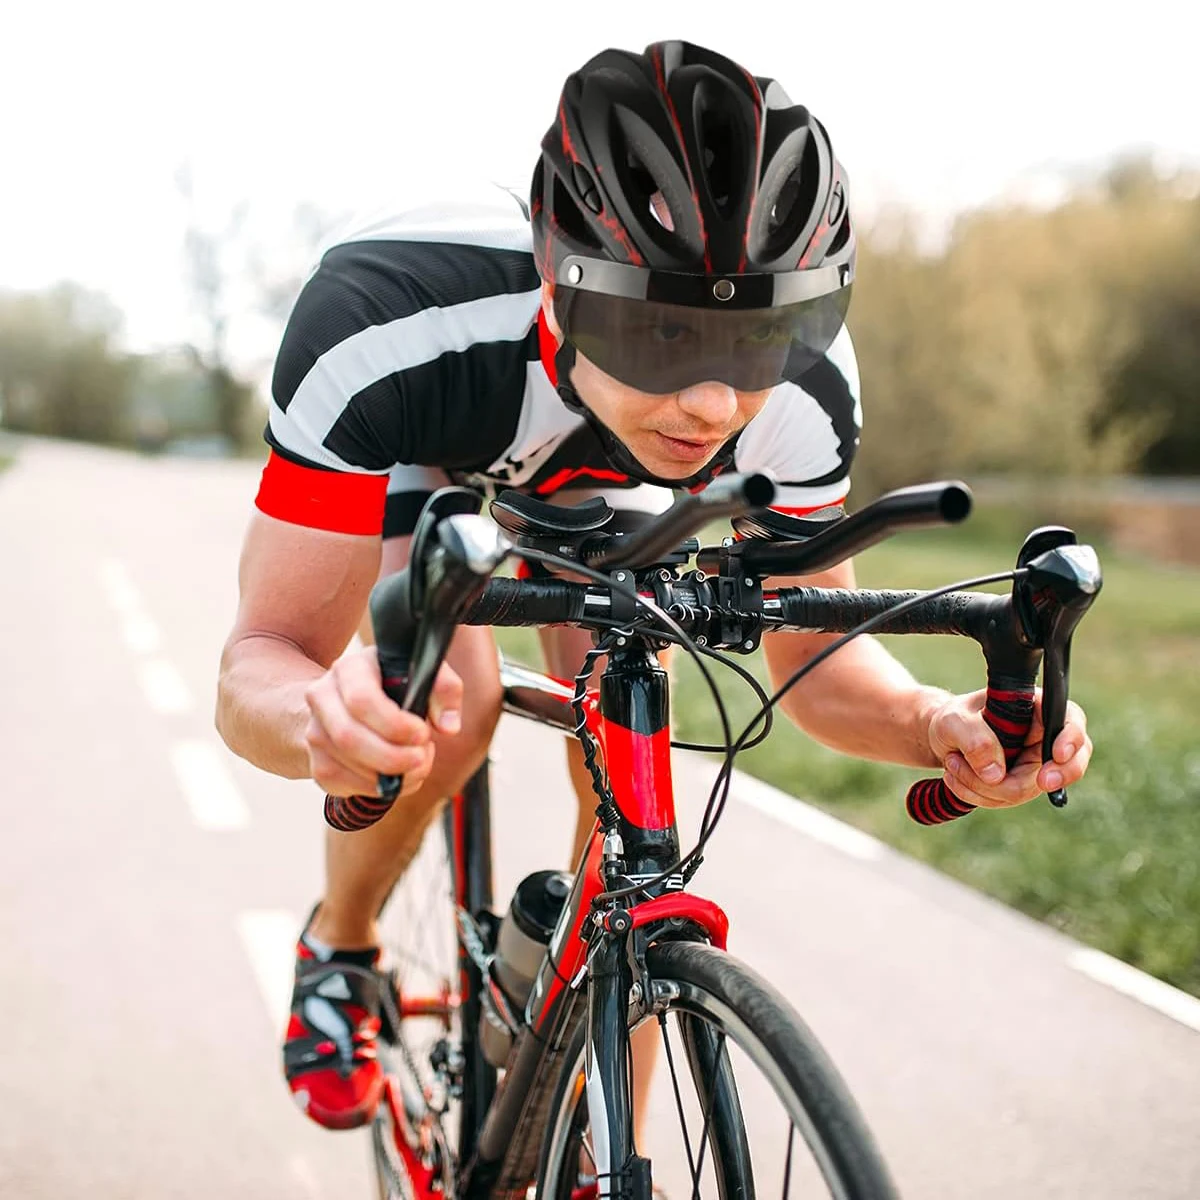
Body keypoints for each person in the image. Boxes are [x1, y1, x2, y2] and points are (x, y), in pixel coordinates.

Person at [216, 39, 1093, 1133]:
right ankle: (341, 948)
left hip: (613, 481)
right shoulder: (387, 319)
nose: (716, 403)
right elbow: (264, 656)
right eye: (662, 333)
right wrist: (321, 715)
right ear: (559, 284)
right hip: (427, 443)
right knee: (447, 706)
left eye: (762, 334)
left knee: (633, 731)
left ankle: (602, 1132)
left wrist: (933, 721)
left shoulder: (802, 391)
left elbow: (814, 659)